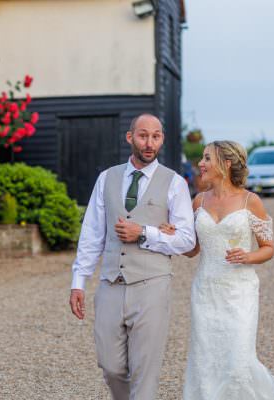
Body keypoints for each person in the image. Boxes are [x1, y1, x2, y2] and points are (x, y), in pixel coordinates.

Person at [69, 113, 196, 399]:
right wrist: (78, 282)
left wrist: (144, 232)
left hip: (152, 285)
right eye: (143, 135)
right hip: (111, 283)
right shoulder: (106, 178)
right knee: (110, 366)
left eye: (156, 136)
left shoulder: (174, 183)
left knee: (144, 371)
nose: (150, 143)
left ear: (162, 139)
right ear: (130, 137)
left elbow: (187, 240)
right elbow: (92, 234)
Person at [161, 140, 274, 399]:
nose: (200, 164)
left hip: (239, 292)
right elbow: (192, 250)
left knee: (238, 359)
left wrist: (248, 256)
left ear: (226, 164)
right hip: (205, 290)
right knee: (205, 358)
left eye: (207, 158)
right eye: (202, 158)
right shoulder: (198, 201)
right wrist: (173, 237)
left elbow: (268, 248)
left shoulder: (251, 201)